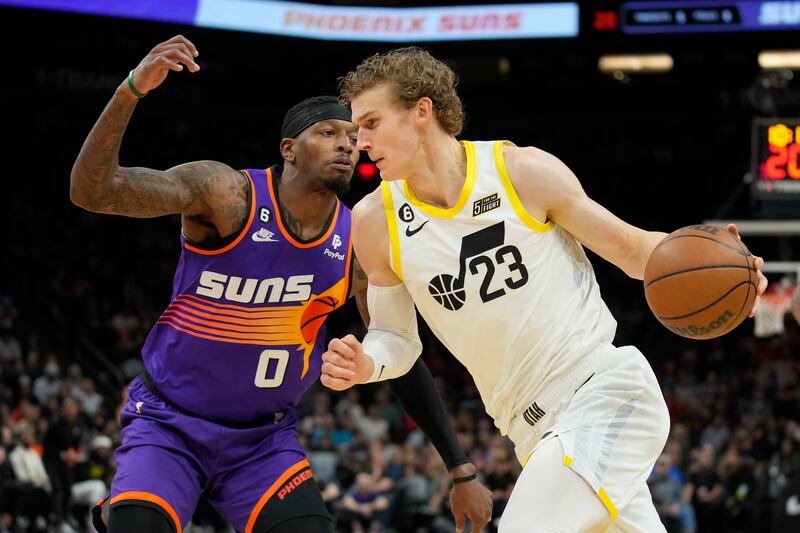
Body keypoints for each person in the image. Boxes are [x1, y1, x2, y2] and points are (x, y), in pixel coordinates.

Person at [321, 47, 768, 532]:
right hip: (531, 433)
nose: (359, 141)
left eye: (370, 122)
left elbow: (637, 250)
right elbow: (396, 339)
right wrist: (367, 363)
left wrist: (725, 260)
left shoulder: (520, 172)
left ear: (422, 111)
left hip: (604, 394)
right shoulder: (374, 221)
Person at [69, 36, 491, 533]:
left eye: (353, 137)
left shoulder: (359, 238)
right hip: (170, 424)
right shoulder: (227, 195)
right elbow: (92, 191)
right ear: (289, 149)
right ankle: (127, 510)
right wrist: (130, 91)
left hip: (262, 443)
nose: (347, 144)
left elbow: (397, 349)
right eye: (329, 133)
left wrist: (460, 467)